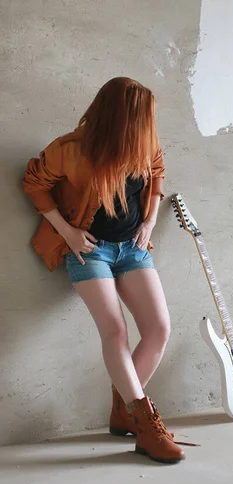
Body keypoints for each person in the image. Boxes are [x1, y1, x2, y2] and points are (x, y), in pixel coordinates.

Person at [22, 77, 185, 464]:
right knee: (115, 330)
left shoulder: (145, 143)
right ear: (119, 118)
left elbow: (158, 169)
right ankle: (145, 426)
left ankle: (123, 410)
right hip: (90, 252)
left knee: (159, 329)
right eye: (141, 118)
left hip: (133, 248)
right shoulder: (70, 149)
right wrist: (68, 233)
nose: (148, 126)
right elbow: (34, 183)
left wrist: (149, 222)